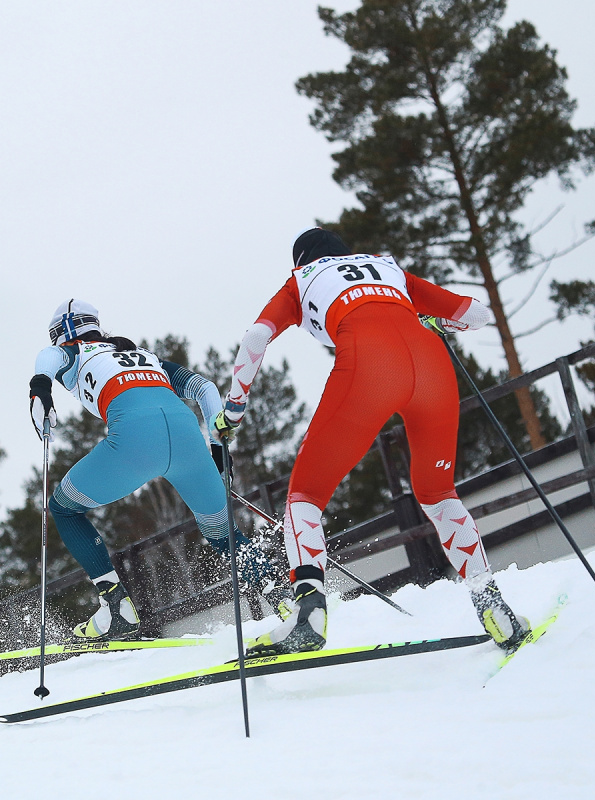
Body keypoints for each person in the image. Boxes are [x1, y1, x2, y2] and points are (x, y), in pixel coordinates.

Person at [212, 228, 530, 656]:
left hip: (371, 366)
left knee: (304, 497)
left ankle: (308, 615)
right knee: (438, 493)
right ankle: (492, 603)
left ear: (299, 261)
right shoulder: (387, 266)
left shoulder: (301, 279)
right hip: (431, 365)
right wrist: (434, 322)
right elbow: (477, 314)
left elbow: (255, 339)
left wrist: (232, 411)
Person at [29, 299, 289, 641]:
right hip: (188, 440)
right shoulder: (144, 355)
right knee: (224, 535)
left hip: (135, 440)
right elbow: (205, 388)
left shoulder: (73, 352)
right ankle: (286, 599)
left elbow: (49, 359)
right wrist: (217, 445)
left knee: (64, 508)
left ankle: (116, 607)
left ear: (63, 332)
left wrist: (40, 387)